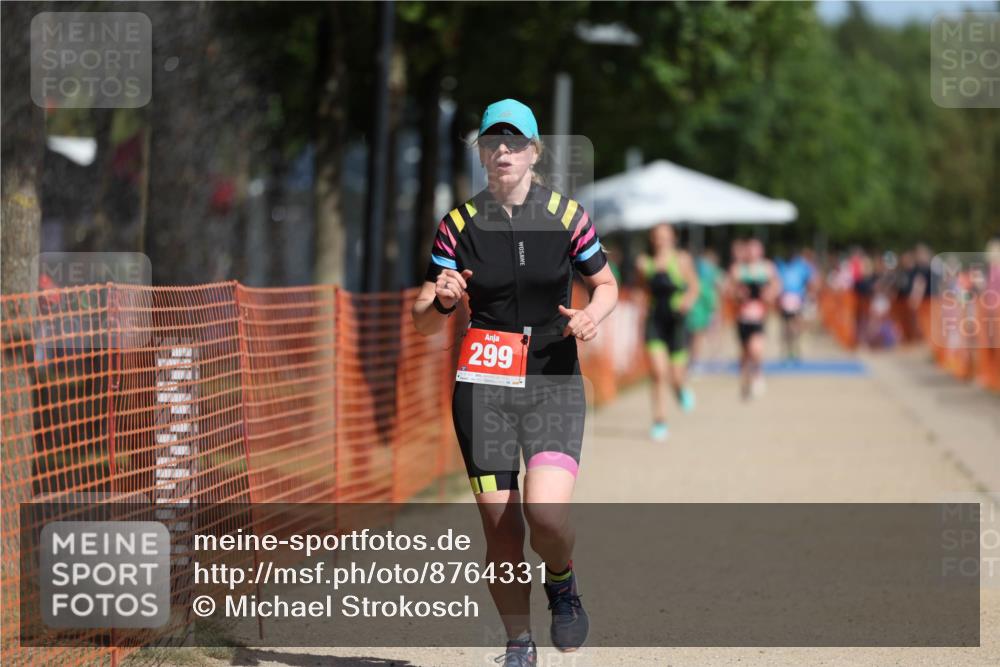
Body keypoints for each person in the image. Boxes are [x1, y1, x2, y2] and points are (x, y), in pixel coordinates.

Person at [411, 99, 618, 667]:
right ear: (480, 152)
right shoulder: (457, 224)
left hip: (552, 379)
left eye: (514, 142)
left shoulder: (568, 216)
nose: (502, 151)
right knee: (502, 529)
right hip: (483, 389)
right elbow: (422, 312)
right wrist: (443, 300)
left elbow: (607, 284)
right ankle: (518, 643)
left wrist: (592, 315)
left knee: (546, 517)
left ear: (534, 152)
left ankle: (562, 580)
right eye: (492, 142)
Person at [634, 223, 699, 441]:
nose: (661, 240)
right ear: (652, 239)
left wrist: (687, 302)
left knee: (676, 376)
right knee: (658, 373)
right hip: (655, 322)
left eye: (665, 236)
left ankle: (680, 390)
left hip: (676, 322)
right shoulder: (644, 263)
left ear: (673, 238)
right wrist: (639, 303)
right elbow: (642, 289)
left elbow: (694, 287)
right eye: (657, 236)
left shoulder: (681, 260)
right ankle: (659, 420)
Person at [727, 238, 779, 399]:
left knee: (756, 349)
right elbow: (729, 289)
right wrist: (738, 294)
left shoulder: (767, 268)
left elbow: (776, 285)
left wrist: (769, 295)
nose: (751, 253)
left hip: (759, 316)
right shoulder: (737, 269)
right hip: (742, 317)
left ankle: (758, 373)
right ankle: (745, 382)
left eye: (755, 250)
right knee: (744, 352)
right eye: (749, 250)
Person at [775, 248, 817, 362]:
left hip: (797, 299)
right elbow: (776, 282)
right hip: (784, 299)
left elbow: (810, 280)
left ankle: (795, 349)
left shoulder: (801, 267)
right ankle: (786, 351)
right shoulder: (781, 266)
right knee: (785, 326)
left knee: (795, 326)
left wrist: (809, 294)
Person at [687, 247, 723, 366]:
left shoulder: (703, 269)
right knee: (698, 335)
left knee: (700, 335)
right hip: (703, 308)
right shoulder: (707, 271)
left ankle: (699, 359)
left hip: (707, 307)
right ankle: (696, 359)